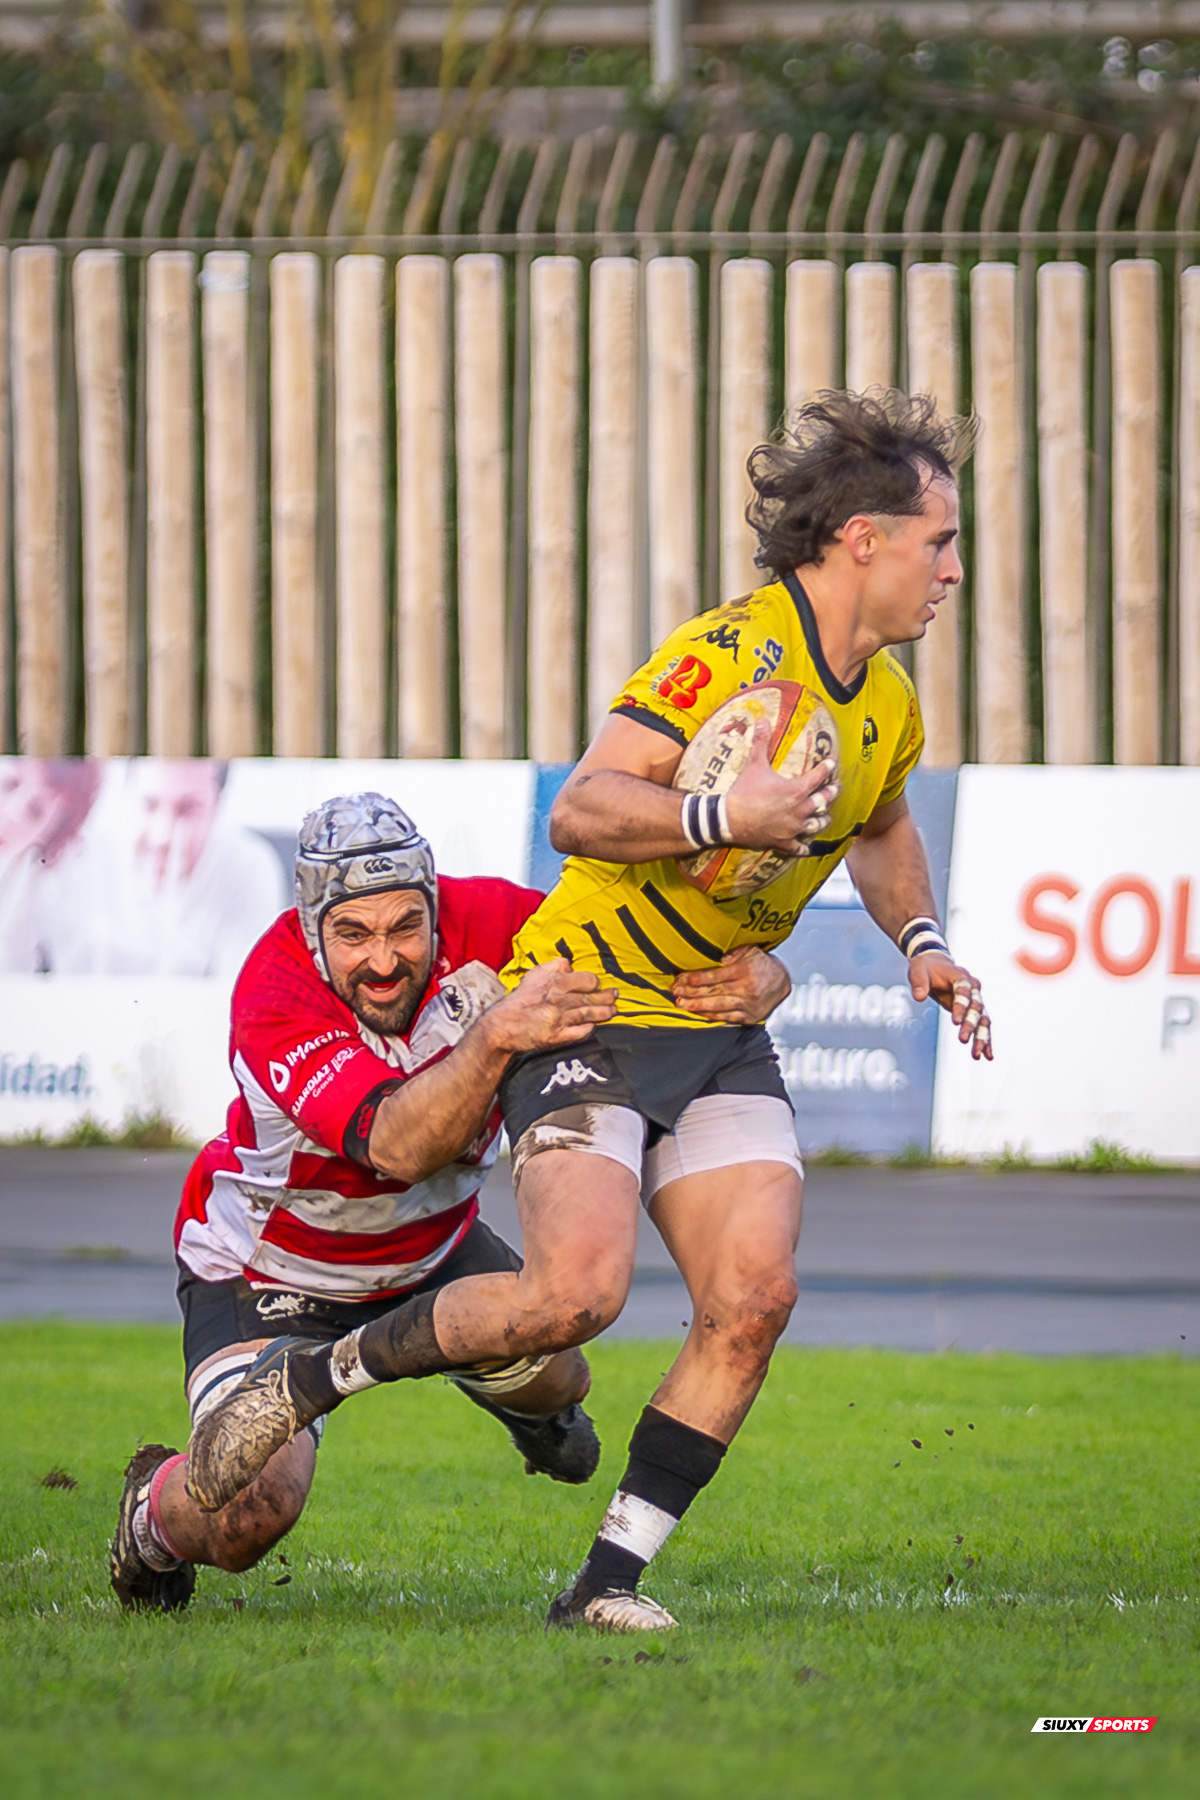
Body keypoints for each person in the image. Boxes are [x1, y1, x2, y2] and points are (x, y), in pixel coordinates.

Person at [186, 390, 993, 1635]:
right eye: (939, 539)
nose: (953, 567)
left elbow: (881, 824)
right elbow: (582, 808)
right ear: (864, 540)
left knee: (756, 1297)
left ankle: (605, 1587)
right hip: (592, 1016)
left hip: (717, 1027)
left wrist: (923, 943)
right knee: (574, 1299)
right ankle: (318, 1373)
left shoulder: (885, 700)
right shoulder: (725, 653)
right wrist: (723, 817)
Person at [111, 792, 788, 1612]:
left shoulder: (501, 922)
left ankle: (517, 1398)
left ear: (436, 903)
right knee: (250, 1516)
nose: (385, 959)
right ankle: (148, 1519)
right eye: (353, 935)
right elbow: (399, 1148)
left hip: (436, 1248)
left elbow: (648, 954)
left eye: (406, 926)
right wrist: (499, 1031)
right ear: (311, 926)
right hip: (275, 1270)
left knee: (563, 1383)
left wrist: (764, 971)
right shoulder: (275, 994)